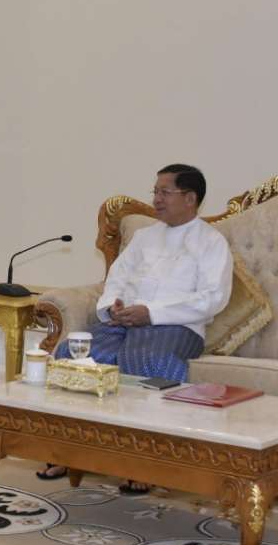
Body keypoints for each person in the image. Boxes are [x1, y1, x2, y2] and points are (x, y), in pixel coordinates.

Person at [36, 163, 233, 491]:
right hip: (125, 322)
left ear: (190, 198)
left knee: (149, 362)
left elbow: (213, 298)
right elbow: (116, 279)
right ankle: (70, 450)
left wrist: (151, 313)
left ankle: (145, 463)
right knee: (75, 352)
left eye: (164, 192)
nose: (156, 199)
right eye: (155, 192)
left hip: (176, 327)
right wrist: (113, 306)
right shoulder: (144, 237)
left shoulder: (211, 242)